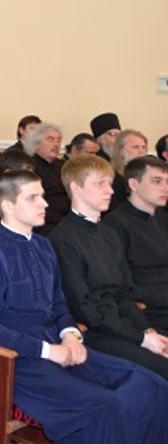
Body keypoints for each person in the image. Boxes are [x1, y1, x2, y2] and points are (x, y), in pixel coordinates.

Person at [0, 170, 168, 444]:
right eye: (33, 198)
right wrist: (49, 351)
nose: (44, 203)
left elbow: (59, 304)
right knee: (108, 406)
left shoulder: (44, 246)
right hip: (21, 363)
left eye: (42, 196)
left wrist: (70, 333)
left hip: (62, 347)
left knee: (151, 385)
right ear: (7, 205)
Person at [49, 155, 168, 378]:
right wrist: (142, 339)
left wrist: (148, 331)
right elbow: (85, 310)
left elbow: (124, 294)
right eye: (100, 184)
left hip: (123, 325)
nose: (110, 191)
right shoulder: (63, 240)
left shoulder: (108, 233)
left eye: (110, 184)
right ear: (76, 187)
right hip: (96, 333)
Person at [104, 157, 168, 332]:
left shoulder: (162, 217)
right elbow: (120, 285)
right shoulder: (115, 224)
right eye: (157, 181)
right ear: (134, 184)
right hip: (150, 313)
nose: (165, 188)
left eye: (167, 181)